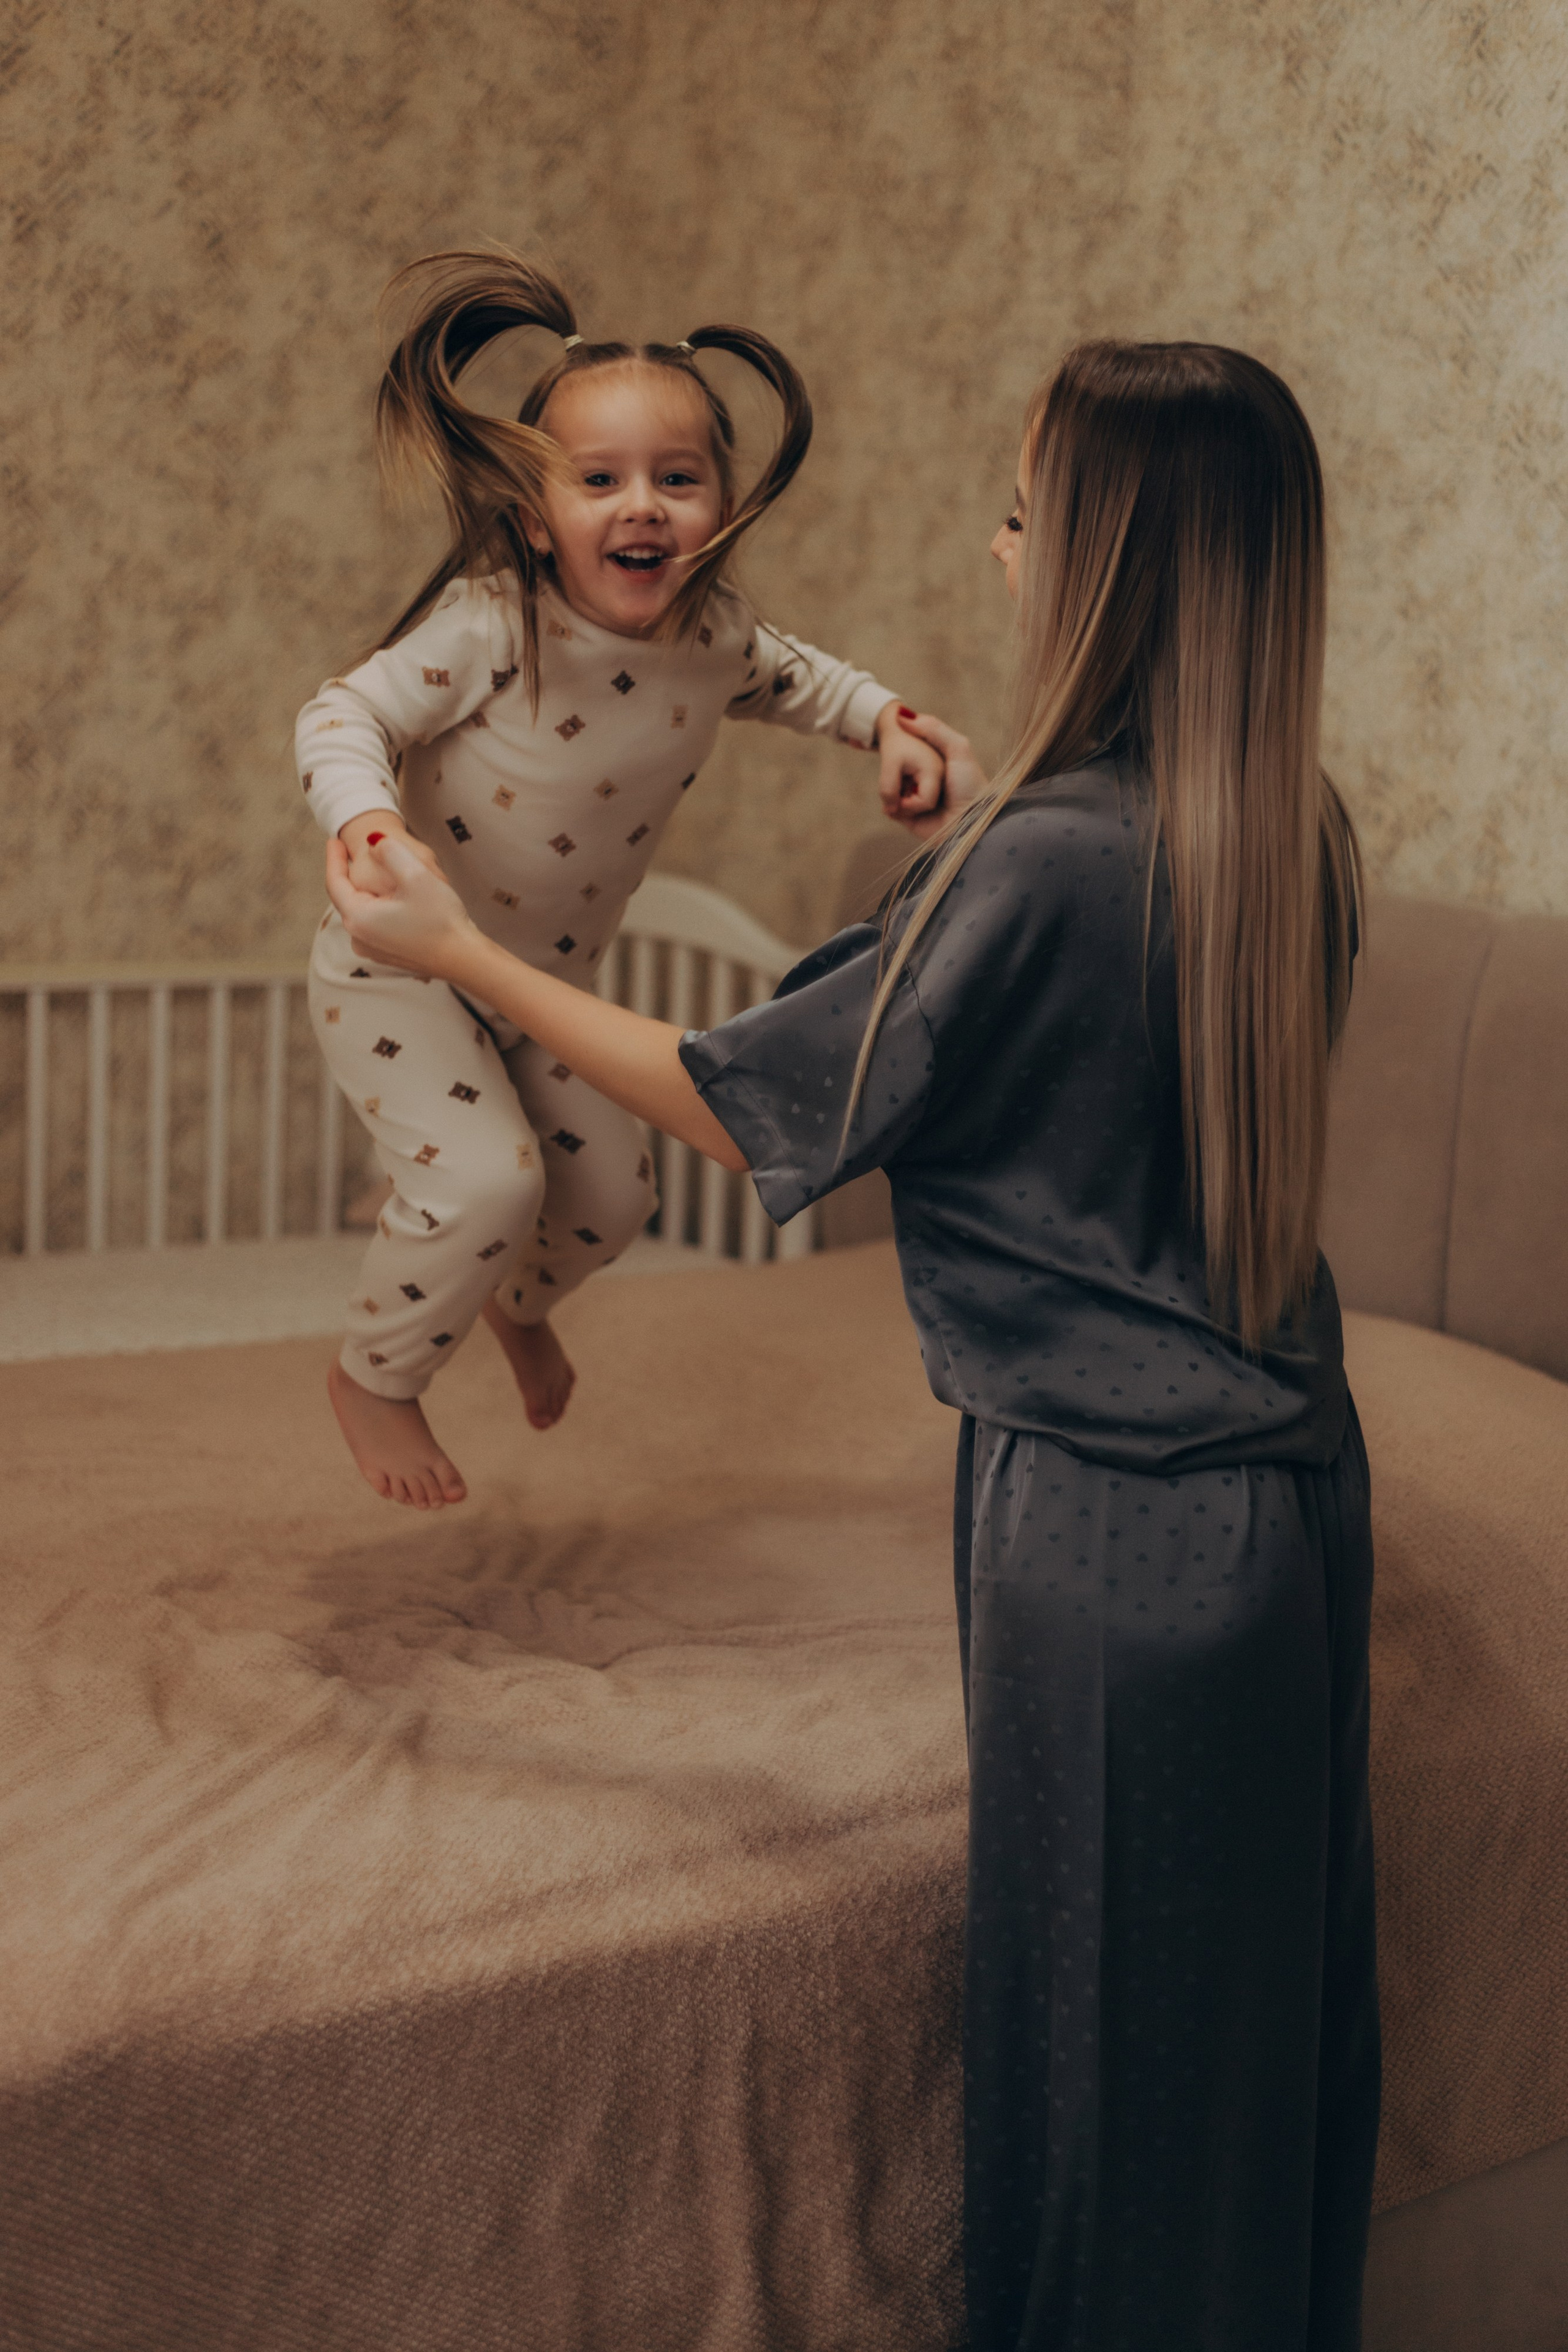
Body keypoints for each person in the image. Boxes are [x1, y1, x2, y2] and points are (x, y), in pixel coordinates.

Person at [322, 337, 1379, 2352]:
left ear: (1097, 561)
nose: (993, 542)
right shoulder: (1280, 827)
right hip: (1293, 1499)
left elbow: (756, 1102)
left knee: (1098, 2094)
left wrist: (454, 948)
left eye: (1013, 509)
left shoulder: (1040, 864)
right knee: (1259, 2067)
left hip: (1107, 1535)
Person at [299, 247, 953, 1508]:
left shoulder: (715, 638)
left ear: (722, 503)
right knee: (487, 1178)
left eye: (676, 478)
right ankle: (374, 1379)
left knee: (608, 1199)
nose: (640, 505)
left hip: (547, 986)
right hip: (401, 967)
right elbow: (338, 716)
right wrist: (369, 824)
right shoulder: (494, 626)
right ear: (538, 517)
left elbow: (809, 680)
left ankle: (516, 1304)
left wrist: (892, 726)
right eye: (597, 481)